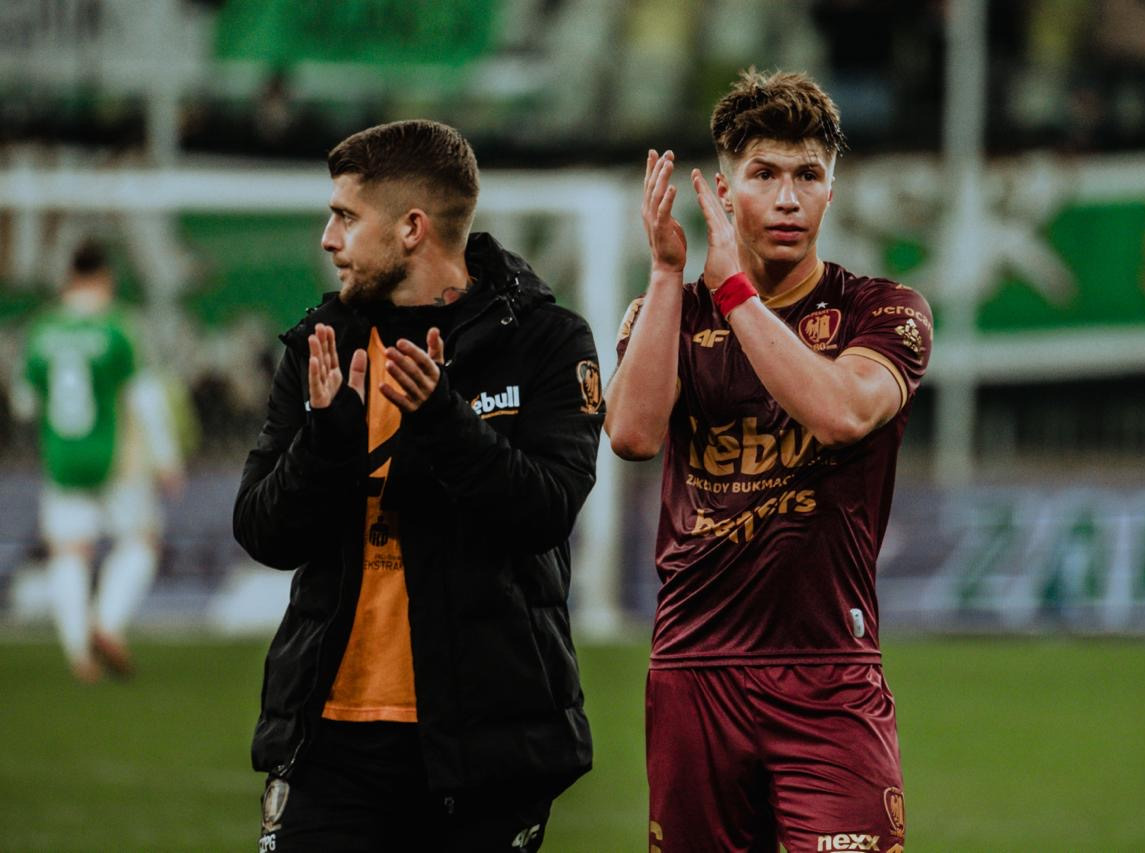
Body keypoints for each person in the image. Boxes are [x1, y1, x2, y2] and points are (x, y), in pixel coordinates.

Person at [233, 119, 603, 852]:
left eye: (345, 216)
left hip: (486, 744)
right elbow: (263, 532)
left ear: (411, 228)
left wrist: (442, 420)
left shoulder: (545, 341)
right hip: (330, 741)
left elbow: (546, 510)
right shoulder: (322, 345)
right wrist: (326, 443)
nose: (328, 239)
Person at [605, 69, 932, 852]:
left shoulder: (882, 311)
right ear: (723, 191)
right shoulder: (667, 311)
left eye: (807, 176)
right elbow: (633, 435)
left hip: (829, 673)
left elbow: (840, 412)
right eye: (764, 175)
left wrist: (737, 298)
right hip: (694, 665)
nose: (788, 199)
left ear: (831, 192)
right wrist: (666, 274)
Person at [17, 239, 185, 683]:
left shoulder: (42, 329)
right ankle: (107, 623)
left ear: (68, 278)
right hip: (117, 457)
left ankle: (79, 653)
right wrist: (166, 458)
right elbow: (144, 395)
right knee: (141, 541)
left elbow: (23, 401)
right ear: (105, 277)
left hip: (63, 457)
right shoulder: (118, 326)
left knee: (68, 551)